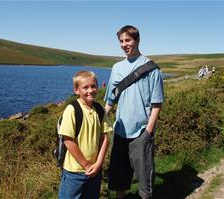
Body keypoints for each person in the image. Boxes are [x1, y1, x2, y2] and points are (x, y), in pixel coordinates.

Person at [104, 25, 164, 199]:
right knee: (118, 180)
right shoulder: (116, 68)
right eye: (121, 41)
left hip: (141, 133)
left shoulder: (152, 69)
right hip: (120, 132)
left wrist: (148, 132)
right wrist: (99, 121)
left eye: (128, 40)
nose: (124, 44)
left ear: (137, 40)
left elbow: (157, 104)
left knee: (145, 181)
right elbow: (110, 101)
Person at [58, 71, 112, 199]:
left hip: (95, 170)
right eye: (85, 87)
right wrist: (86, 165)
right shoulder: (72, 110)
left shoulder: (99, 110)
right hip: (74, 172)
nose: (91, 90)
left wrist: (99, 163)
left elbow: (104, 137)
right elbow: (68, 141)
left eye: (93, 86)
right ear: (76, 90)